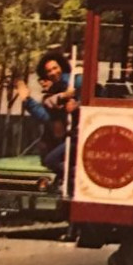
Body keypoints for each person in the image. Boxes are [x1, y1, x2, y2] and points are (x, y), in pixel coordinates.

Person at [14, 50, 78, 193]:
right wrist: (27, 100)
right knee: (50, 160)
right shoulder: (52, 93)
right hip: (65, 139)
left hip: (77, 137)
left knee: (50, 160)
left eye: (55, 68)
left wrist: (75, 103)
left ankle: (77, 176)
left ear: (62, 66)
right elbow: (46, 115)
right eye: (48, 71)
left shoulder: (73, 80)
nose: (53, 72)